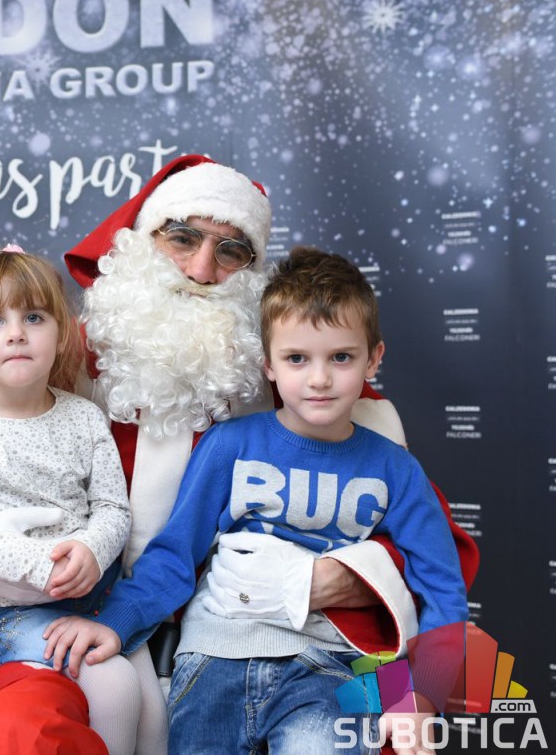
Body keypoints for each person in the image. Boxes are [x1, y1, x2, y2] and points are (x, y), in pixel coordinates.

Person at [0, 154, 478, 754]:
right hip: (85, 618)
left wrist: (342, 581)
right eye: (182, 238)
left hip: (288, 647)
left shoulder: (310, 387)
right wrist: (20, 555)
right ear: (139, 241)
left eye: (231, 251)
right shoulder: (57, 358)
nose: (202, 269)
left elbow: (432, 561)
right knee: (22, 727)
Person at [44, 246, 469, 753]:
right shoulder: (231, 446)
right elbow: (175, 556)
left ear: (373, 358)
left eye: (341, 357)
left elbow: (441, 591)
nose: (319, 378)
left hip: (331, 669)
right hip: (215, 657)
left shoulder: (395, 469)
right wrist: (116, 624)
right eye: (297, 359)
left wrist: (422, 695)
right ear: (268, 364)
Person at [0, 247, 150, 754]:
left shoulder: (84, 418)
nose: (16, 333)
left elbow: (112, 508)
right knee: (114, 684)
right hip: (11, 610)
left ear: (62, 335)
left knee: (154, 716)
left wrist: (91, 550)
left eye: (34, 318)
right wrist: (39, 564)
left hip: (96, 594)